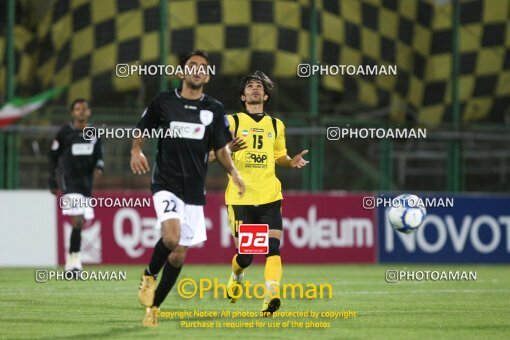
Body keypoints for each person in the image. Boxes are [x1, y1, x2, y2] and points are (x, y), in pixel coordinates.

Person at [131, 50, 246, 327]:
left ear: (208, 75)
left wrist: (234, 172)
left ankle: (154, 308)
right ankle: (149, 275)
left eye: (203, 67)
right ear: (181, 72)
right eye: (191, 66)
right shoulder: (164, 102)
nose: (198, 70)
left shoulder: (215, 109)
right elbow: (141, 128)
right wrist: (136, 151)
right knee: (170, 238)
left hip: (194, 190)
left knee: (179, 254)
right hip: (166, 183)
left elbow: (219, 150)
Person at [224, 71, 309, 316]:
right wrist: (228, 147)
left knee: (273, 248)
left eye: (259, 86)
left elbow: (278, 156)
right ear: (242, 96)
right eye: (249, 86)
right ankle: (236, 275)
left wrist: (290, 161)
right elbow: (214, 152)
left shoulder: (276, 125)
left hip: (270, 196)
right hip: (241, 197)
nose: (254, 89)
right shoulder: (232, 122)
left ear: (266, 95)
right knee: (247, 256)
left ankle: (271, 297)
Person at [48, 99, 104, 275]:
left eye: (84, 108)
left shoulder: (94, 133)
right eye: (78, 108)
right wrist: (52, 177)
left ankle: (72, 260)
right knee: (78, 219)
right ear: (72, 112)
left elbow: (99, 154)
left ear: (89, 112)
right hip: (69, 182)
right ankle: (75, 263)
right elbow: (53, 155)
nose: (81, 111)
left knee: (80, 223)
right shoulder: (65, 133)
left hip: (86, 184)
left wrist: (100, 166)